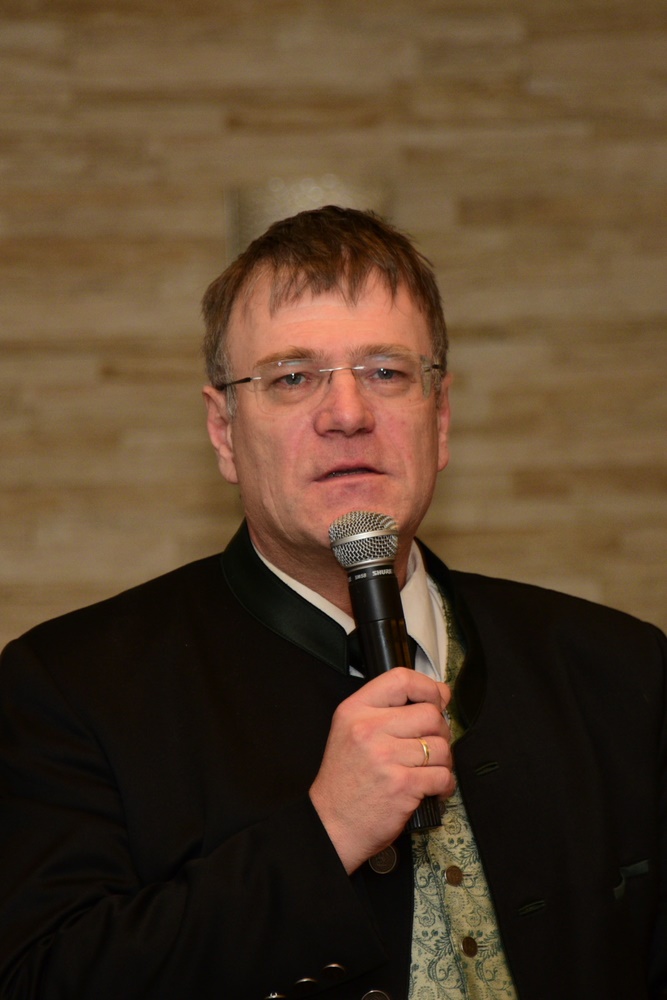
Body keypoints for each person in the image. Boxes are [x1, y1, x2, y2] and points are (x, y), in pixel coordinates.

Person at [0, 206, 664, 1000]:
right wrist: (324, 834)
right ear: (223, 431)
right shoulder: (70, 687)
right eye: (291, 377)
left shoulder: (620, 668)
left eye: (385, 372)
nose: (347, 414)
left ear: (440, 418)